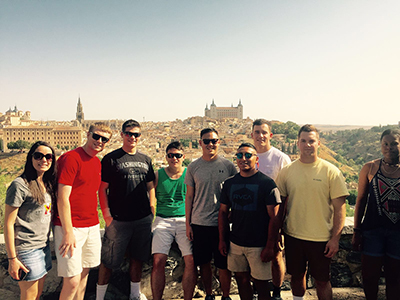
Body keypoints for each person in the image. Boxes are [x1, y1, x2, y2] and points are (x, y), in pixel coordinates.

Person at [275, 124, 348, 300]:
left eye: (311, 141)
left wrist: (335, 238)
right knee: (296, 276)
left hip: (321, 238)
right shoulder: (287, 171)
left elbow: (340, 208)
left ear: (319, 143)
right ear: (298, 143)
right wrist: (277, 233)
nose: (308, 144)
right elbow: (280, 206)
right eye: (304, 141)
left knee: (322, 281)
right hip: (293, 235)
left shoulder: (331, 171)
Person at [96, 119, 155, 300]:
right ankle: (100, 297)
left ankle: (134, 295)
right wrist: (107, 216)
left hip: (142, 219)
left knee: (138, 258)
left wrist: (151, 211)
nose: (132, 137)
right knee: (108, 261)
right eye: (128, 134)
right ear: (122, 135)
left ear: (139, 137)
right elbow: (102, 189)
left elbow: (150, 186)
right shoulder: (111, 158)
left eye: (136, 134)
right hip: (118, 220)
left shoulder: (146, 159)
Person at [54, 122, 112, 300]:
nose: (99, 141)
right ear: (88, 134)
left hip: (92, 225)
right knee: (71, 281)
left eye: (104, 139)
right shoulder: (71, 158)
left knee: (84, 277)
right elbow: (62, 197)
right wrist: (68, 231)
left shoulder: (97, 162)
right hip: (71, 227)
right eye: (96, 136)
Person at [219, 143, 281, 300]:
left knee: (261, 285)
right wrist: (222, 240)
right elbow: (223, 212)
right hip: (236, 243)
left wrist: (269, 246)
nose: (243, 159)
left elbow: (274, 218)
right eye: (240, 155)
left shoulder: (267, 184)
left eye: (248, 155)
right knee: (242, 280)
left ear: (256, 159)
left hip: (259, 244)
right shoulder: (229, 183)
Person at [185, 128, 237, 300]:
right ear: (200, 143)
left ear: (219, 142)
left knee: (224, 264)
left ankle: (226, 296)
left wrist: (232, 214)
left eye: (213, 141)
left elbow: (235, 192)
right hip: (200, 223)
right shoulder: (193, 167)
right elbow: (190, 196)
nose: (210, 144)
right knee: (204, 263)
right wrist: (188, 224)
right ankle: (209, 294)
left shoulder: (228, 166)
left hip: (221, 223)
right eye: (206, 141)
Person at [4, 141, 56, 300]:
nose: (44, 160)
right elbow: (8, 223)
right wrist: (12, 258)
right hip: (27, 249)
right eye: (38, 156)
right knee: (29, 296)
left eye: (48, 157)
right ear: (31, 158)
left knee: (38, 293)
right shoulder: (19, 185)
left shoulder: (46, 183)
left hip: (43, 247)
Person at [352, 129, 400, 300]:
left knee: (395, 280)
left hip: (397, 234)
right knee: (369, 277)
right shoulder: (370, 168)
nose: (389, 147)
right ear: (380, 146)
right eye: (385, 144)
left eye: (394, 143)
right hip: (372, 231)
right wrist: (357, 230)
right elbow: (361, 200)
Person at [151, 141, 197, 300]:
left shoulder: (189, 174)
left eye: (177, 155)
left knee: (190, 260)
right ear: (166, 157)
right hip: (162, 220)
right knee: (158, 260)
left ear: (183, 157)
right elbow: (150, 198)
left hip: (184, 220)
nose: (174, 159)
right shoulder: (158, 174)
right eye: (171, 155)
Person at [251, 119, 291, 300]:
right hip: (252, 216)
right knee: (253, 255)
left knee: (276, 255)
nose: (260, 136)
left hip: (274, 217)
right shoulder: (247, 156)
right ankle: (258, 289)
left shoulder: (280, 158)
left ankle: (276, 291)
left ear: (270, 135)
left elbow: (288, 192)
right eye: (257, 132)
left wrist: (282, 220)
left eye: (264, 132)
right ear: (252, 135)